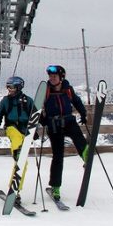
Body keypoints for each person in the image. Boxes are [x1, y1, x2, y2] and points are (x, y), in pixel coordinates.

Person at [41, 65, 88, 201]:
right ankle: (56, 187)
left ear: (61, 77)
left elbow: (77, 101)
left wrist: (83, 114)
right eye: (50, 76)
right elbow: (37, 108)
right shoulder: (45, 90)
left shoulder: (68, 89)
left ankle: (86, 154)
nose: (52, 78)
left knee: (77, 136)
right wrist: (42, 119)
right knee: (58, 156)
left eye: (54, 76)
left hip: (68, 120)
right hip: (53, 125)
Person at [0, 76, 37, 204]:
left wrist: (35, 129)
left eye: (12, 87)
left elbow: (35, 116)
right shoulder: (5, 101)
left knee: (22, 165)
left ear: (19, 87)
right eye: (8, 87)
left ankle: (15, 191)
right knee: (16, 141)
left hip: (26, 131)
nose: (10, 89)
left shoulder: (28, 101)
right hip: (12, 127)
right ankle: (17, 152)